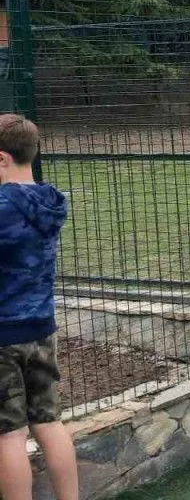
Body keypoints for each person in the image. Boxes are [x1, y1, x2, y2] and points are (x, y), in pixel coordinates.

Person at [0, 115, 77, 500]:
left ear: (2, 158)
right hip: (42, 329)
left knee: (9, 436)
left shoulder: (4, 207)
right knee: (49, 423)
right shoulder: (50, 202)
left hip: (3, 335)